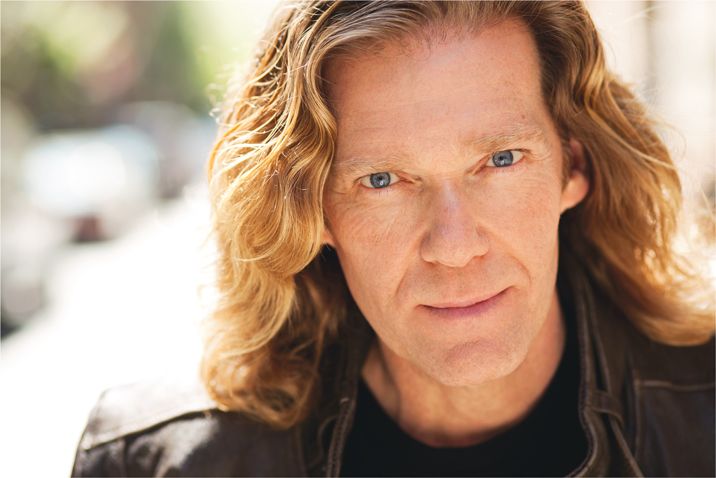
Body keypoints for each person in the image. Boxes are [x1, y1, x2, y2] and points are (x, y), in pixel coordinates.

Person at [72, 1, 715, 476]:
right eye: (382, 180)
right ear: (313, 210)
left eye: (500, 160)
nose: (454, 246)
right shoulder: (157, 463)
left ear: (573, 167)